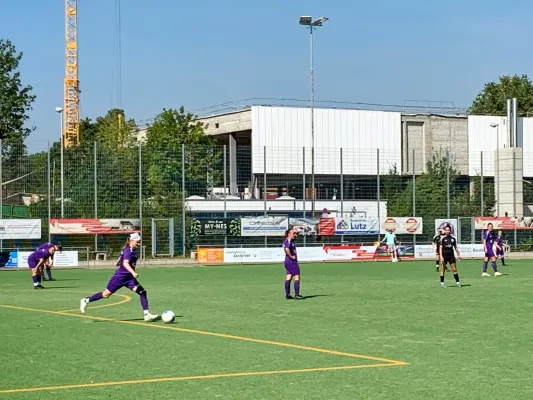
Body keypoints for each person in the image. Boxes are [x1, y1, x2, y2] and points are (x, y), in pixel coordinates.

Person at [80, 233, 158, 321]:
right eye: (138, 242)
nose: (139, 244)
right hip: (119, 278)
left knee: (142, 292)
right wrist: (133, 272)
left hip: (129, 279)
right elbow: (125, 263)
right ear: (132, 241)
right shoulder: (128, 250)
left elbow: (122, 261)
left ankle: (146, 314)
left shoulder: (131, 250)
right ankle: (86, 300)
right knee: (106, 294)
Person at [439, 224, 462, 288]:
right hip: (444, 256)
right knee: (442, 269)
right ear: (445, 231)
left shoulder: (453, 239)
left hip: (451, 256)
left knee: (454, 269)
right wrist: (441, 256)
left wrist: (458, 255)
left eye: (448, 230)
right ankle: (442, 283)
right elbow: (440, 248)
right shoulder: (443, 239)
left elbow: (456, 248)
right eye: (446, 230)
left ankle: (458, 283)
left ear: (450, 231)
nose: (447, 231)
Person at [283, 228, 303, 300]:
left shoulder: (291, 240)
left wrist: (295, 231)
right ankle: (296, 295)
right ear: (288, 234)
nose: (295, 235)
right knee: (297, 276)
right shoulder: (288, 240)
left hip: (287, 261)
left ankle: (287, 294)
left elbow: (296, 235)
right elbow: (286, 249)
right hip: (291, 261)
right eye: (293, 233)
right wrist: (291, 256)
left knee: (289, 276)